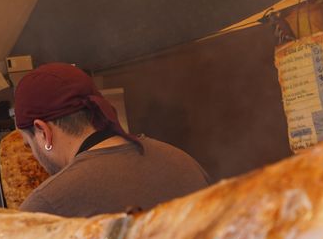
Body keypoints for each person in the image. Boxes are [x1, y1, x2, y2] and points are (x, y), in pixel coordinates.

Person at [12, 62, 210, 217]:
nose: (34, 156)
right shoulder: (181, 160)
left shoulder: (46, 205)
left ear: (43, 131)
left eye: (29, 145)